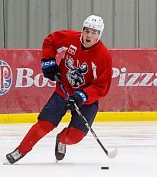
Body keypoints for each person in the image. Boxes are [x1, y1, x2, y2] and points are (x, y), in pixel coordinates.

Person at [6, 15, 113, 164]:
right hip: (64, 90)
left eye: (94, 32)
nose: (89, 35)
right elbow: (51, 40)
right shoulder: (70, 38)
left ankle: (61, 139)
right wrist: (48, 62)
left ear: (99, 35)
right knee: (44, 124)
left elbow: (102, 86)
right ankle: (20, 150)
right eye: (87, 30)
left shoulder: (103, 56)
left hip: (86, 100)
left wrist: (82, 95)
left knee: (74, 137)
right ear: (82, 30)